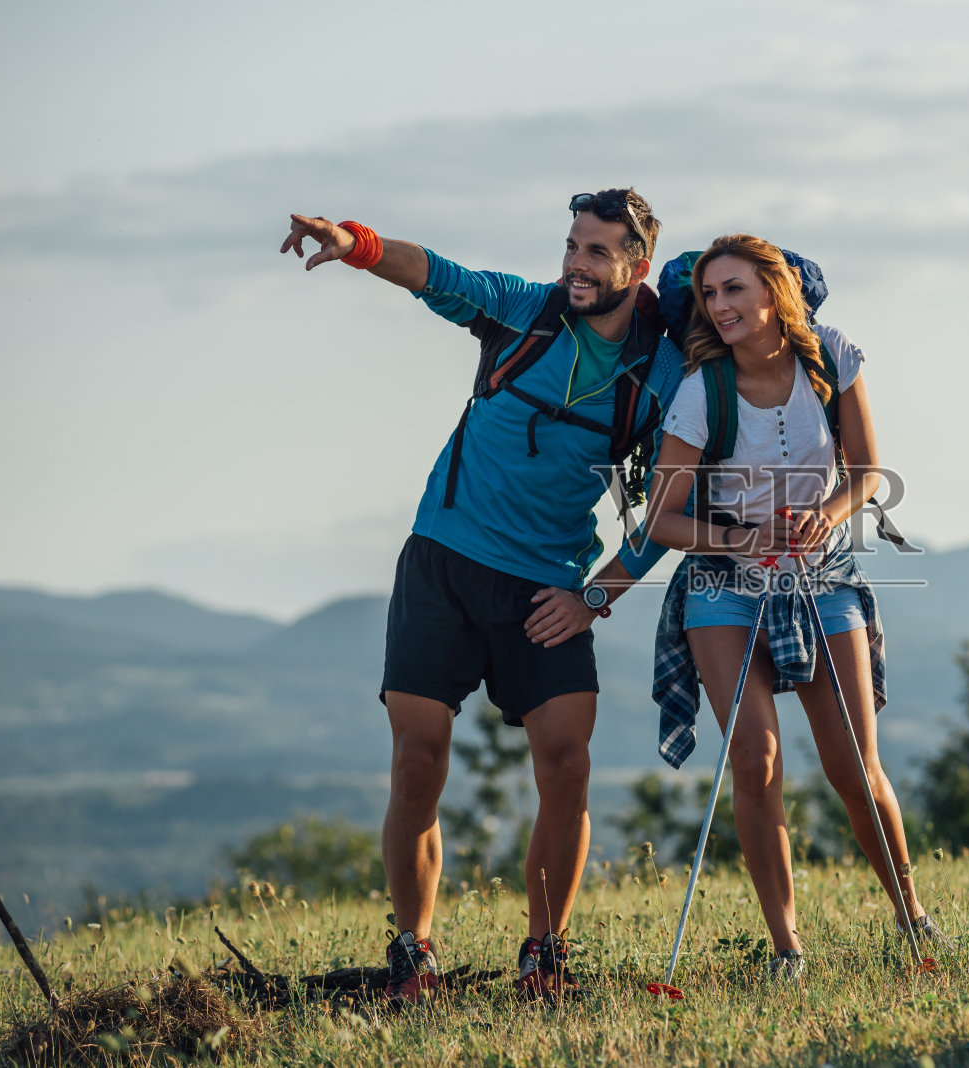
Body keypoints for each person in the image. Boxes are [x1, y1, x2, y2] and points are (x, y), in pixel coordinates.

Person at [277, 189, 682, 1003]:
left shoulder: (663, 371)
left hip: (549, 589)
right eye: (573, 244)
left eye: (598, 251)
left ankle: (545, 953)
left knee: (567, 765)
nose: (576, 262)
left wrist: (597, 598)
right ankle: (412, 951)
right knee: (417, 761)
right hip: (443, 564)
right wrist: (354, 242)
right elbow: (438, 275)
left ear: (635, 268)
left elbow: (674, 507)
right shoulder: (525, 314)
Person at [644, 234, 948, 980]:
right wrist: (738, 536)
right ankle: (787, 949)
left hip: (823, 573)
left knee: (854, 765)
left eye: (734, 290)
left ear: (774, 293)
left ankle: (913, 917)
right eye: (710, 295)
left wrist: (827, 514)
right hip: (723, 579)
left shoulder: (830, 356)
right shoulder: (699, 391)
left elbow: (868, 472)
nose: (720, 308)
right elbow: (659, 518)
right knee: (757, 757)